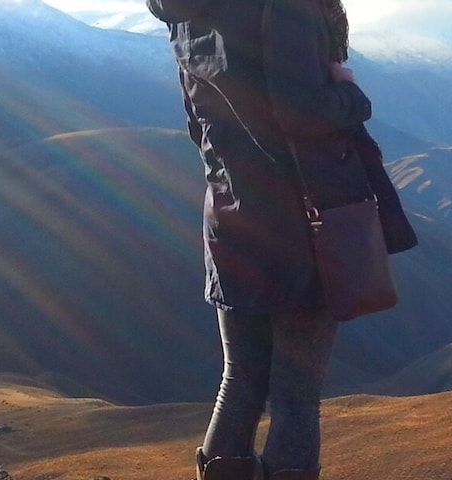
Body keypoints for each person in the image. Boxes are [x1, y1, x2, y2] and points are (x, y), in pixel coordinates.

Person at [147, 0, 416, 479]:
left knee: (240, 380)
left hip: (229, 215)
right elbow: (302, 112)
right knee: (295, 396)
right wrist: (352, 96)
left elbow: (196, 125)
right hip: (300, 222)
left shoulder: (184, 11)